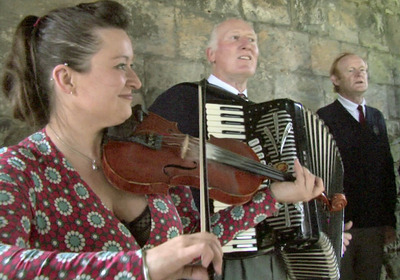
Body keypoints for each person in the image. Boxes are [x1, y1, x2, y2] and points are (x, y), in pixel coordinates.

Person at [0, 2, 324, 279]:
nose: (136, 81)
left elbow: (196, 236)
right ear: (66, 79)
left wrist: (274, 196)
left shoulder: (147, 157)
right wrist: (144, 267)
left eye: (132, 65)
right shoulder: (18, 168)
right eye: (120, 66)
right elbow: (5, 263)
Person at [149, 18, 347, 280]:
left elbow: (288, 199)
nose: (247, 45)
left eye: (252, 40)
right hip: (216, 259)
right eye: (234, 38)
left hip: (271, 258)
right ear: (211, 54)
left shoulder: (269, 118)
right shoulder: (183, 100)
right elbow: (154, 180)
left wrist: (325, 229)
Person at [317, 53, 397, 280]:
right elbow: (321, 173)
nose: (359, 74)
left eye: (362, 69)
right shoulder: (325, 118)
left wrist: (389, 221)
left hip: (373, 225)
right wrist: (328, 224)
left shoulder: (376, 117)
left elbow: (386, 172)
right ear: (335, 79)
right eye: (351, 70)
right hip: (342, 226)